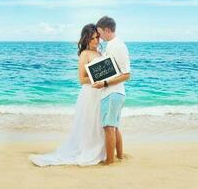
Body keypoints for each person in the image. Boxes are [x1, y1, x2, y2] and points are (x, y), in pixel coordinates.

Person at [29, 24, 106, 167]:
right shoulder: (85, 54)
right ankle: (87, 150)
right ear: (86, 39)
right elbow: (82, 79)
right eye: (92, 39)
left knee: (99, 123)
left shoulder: (101, 53)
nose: (96, 41)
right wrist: (98, 77)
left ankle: (101, 151)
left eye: (97, 38)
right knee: (88, 123)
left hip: (101, 93)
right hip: (90, 94)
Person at [93, 16, 131, 165]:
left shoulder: (116, 45)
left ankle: (109, 161)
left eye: (100, 33)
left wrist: (105, 83)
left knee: (108, 127)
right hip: (116, 92)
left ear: (107, 30)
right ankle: (119, 156)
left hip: (112, 92)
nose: (100, 37)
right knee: (113, 127)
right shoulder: (113, 45)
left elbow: (126, 74)